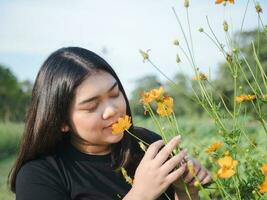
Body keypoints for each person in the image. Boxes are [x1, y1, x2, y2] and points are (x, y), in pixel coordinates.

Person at [9, 47, 211, 200]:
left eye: (115, 94)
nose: (112, 110)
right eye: (91, 106)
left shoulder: (147, 144)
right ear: (61, 120)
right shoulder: (39, 175)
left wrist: (187, 189)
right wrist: (139, 195)